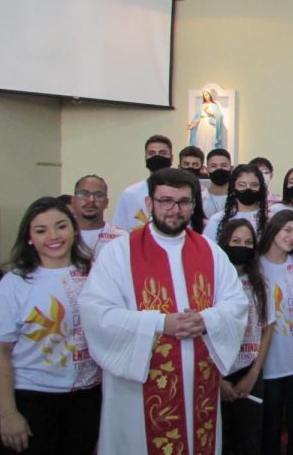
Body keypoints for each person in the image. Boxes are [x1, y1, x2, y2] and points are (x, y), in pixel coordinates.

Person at [78, 168, 248, 455]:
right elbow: (97, 313)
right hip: (139, 389)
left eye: (183, 202)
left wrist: (206, 320)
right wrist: (160, 324)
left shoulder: (210, 250)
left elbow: (236, 304)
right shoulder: (119, 252)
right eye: (165, 201)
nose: (174, 209)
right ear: (149, 204)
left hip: (198, 386)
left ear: (193, 205)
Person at [0, 197, 100, 455]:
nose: (53, 236)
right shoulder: (15, 283)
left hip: (85, 400)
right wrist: (7, 413)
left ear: (73, 228)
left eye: (61, 226)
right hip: (30, 399)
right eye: (41, 230)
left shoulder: (95, 274)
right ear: (29, 238)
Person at [257, 211, 293, 455]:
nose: (292, 237)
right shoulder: (255, 265)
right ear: (274, 229)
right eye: (287, 230)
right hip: (267, 360)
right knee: (269, 426)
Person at [218, 218, 274, 455]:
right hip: (217, 371)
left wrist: (253, 373)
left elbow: (267, 327)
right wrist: (217, 380)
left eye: (248, 242)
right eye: (236, 241)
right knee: (222, 440)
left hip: (249, 368)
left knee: (249, 439)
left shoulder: (260, 284)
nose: (242, 245)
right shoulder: (211, 281)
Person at [112, 134, 174, 231]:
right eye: (152, 153)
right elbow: (119, 230)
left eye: (162, 153)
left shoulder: (180, 192)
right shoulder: (129, 194)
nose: (157, 157)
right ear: (145, 158)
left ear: (172, 158)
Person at [205, 165, 269, 242]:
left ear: (260, 188)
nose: (248, 188)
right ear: (233, 187)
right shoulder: (218, 219)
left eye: (254, 185)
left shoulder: (270, 218)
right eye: (242, 185)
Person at [71, 174, 126, 259]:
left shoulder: (121, 237)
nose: (91, 200)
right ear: (73, 201)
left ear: (106, 202)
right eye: (84, 194)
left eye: (98, 195)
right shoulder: (62, 236)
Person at [187, 89, 224, 154]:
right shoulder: (202, 105)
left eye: (206, 95)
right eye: (204, 95)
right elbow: (198, 116)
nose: (205, 96)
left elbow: (219, 116)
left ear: (210, 95)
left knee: (209, 140)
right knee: (201, 140)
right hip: (202, 124)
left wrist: (209, 112)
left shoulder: (214, 106)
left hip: (210, 125)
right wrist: (193, 124)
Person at [204, 148, 233, 216]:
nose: (219, 169)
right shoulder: (200, 199)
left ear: (231, 169)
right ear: (207, 170)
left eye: (224, 165)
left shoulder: (239, 198)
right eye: (213, 166)